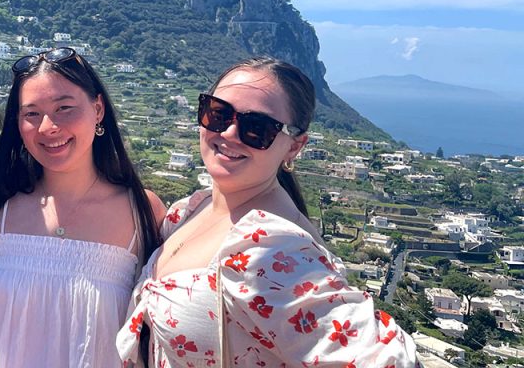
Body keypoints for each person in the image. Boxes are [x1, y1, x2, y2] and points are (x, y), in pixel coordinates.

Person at [117, 56, 417, 367]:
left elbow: (386, 359)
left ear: (294, 146)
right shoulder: (189, 211)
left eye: (257, 128)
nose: (229, 133)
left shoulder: (271, 248)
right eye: (218, 113)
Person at [0, 47, 166, 368]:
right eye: (31, 114)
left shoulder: (144, 212)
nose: (48, 126)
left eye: (64, 108)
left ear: (98, 109)